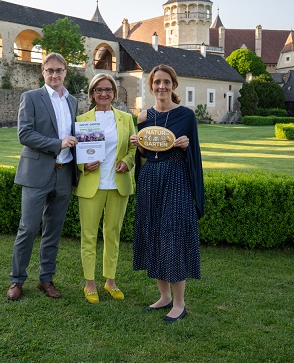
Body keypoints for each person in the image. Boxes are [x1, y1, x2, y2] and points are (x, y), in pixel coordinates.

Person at [129, 64, 205, 323]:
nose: (161, 87)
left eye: (166, 82)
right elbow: (143, 156)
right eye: (157, 82)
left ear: (174, 85)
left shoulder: (186, 115)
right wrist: (138, 146)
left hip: (176, 178)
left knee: (172, 234)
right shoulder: (142, 117)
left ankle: (180, 303)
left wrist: (185, 146)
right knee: (154, 233)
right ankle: (164, 297)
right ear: (151, 86)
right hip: (151, 178)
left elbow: (194, 155)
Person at [7, 52, 78, 301]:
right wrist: (58, 143)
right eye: (50, 71)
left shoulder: (73, 101)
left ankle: (46, 279)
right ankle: (17, 280)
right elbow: (24, 134)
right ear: (43, 72)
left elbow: (78, 136)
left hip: (64, 172)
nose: (55, 75)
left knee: (53, 231)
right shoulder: (31, 97)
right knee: (27, 228)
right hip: (37, 173)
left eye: (59, 70)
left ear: (65, 72)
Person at [75, 74, 136, 304]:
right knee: (88, 235)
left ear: (114, 93)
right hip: (92, 184)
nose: (103, 93)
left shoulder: (126, 119)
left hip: (117, 185)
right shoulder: (82, 119)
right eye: (98, 90)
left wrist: (127, 162)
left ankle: (110, 281)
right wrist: (83, 164)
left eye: (108, 89)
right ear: (92, 93)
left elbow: (132, 150)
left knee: (113, 234)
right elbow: (76, 154)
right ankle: (90, 283)